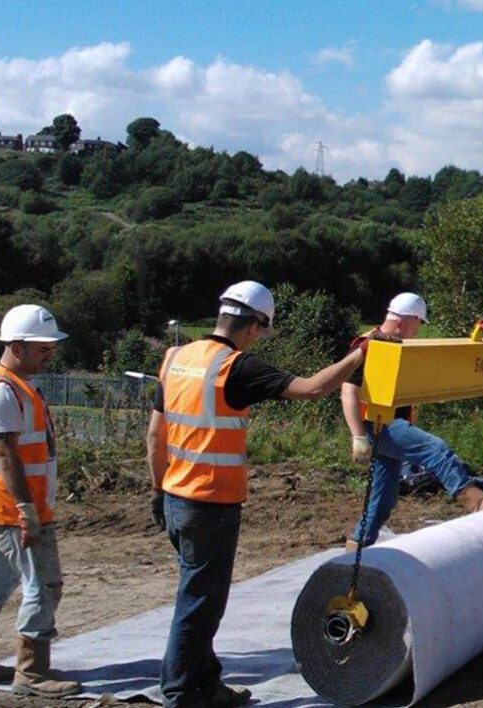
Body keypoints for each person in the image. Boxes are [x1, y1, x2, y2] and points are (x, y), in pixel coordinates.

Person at [147, 281, 365, 708]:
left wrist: (158, 490)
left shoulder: (176, 357)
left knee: (199, 595)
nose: (258, 339)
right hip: (211, 503)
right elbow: (312, 389)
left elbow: (155, 433)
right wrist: (359, 356)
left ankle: (205, 682)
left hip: (175, 496)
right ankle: (181, 692)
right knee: (200, 602)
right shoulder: (235, 367)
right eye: (261, 331)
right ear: (253, 324)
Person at [0, 304, 82, 698]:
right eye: (42, 347)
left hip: (2, 507)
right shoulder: (3, 391)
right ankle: (32, 672)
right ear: (15, 346)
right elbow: (5, 454)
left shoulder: (17, 385)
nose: (50, 353)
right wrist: (27, 509)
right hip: (13, 510)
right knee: (44, 584)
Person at [341, 292, 483, 551]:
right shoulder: (369, 345)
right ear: (403, 321)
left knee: (383, 499)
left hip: (388, 423)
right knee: (435, 449)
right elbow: (348, 391)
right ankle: (477, 503)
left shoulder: (395, 343)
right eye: (417, 323)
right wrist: (358, 436)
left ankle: (357, 548)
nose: (419, 329)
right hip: (378, 425)